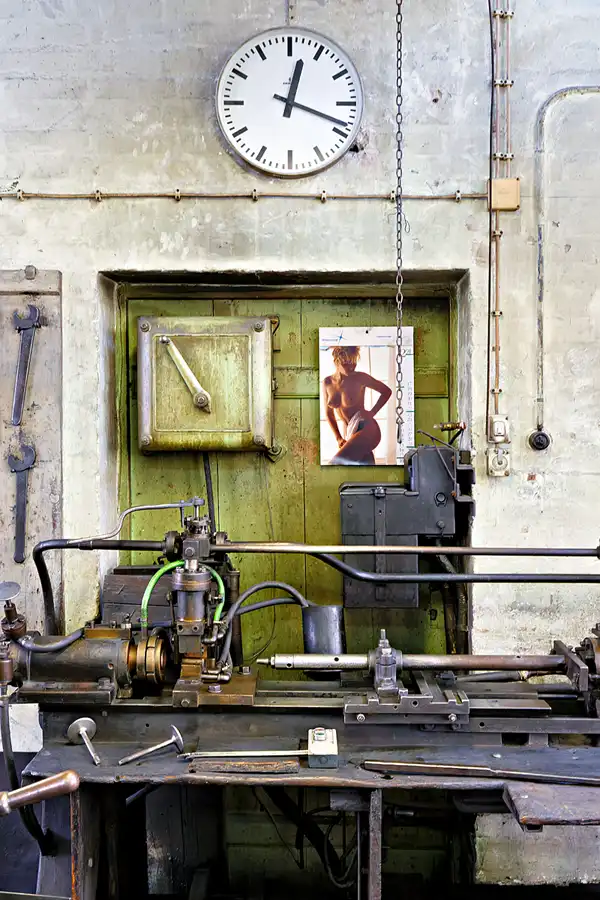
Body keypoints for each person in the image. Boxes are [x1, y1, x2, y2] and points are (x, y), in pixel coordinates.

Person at [322, 345, 392, 465]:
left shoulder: (360, 378)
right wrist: (338, 438)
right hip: (351, 433)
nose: (352, 367)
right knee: (366, 470)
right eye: (347, 363)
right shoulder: (327, 382)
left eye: (354, 362)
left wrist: (372, 412)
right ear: (337, 361)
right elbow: (329, 414)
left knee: (335, 463)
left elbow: (386, 391)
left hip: (366, 428)